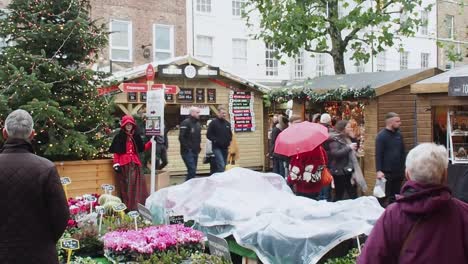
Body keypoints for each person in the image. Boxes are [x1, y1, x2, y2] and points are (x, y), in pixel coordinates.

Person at [358, 143, 468, 264]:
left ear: (407, 174)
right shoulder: (463, 213)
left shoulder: (393, 215)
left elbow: (370, 259)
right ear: (445, 175)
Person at [0, 110, 69, 263]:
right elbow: (61, 216)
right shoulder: (46, 168)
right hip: (39, 254)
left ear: (4, 133)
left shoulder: (46, 168)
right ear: (32, 135)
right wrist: (44, 241)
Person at [109, 115, 151, 210]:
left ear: (133, 125)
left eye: (130, 124)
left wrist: (151, 142)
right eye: (127, 124)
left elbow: (142, 148)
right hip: (124, 165)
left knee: (138, 186)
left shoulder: (136, 136)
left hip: (135, 164)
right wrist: (116, 164)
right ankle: (128, 207)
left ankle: (138, 206)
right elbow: (116, 152)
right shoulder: (119, 137)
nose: (129, 126)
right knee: (127, 186)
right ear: (124, 125)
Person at [375, 112, 406, 206]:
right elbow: (378, 154)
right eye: (397, 121)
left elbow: (402, 152)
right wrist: (379, 170)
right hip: (385, 173)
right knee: (382, 197)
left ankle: (393, 215)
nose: (399, 123)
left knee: (396, 196)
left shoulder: (399, 135)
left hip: (398, 172)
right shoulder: (381, 136)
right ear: (390, 122)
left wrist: (405, 167)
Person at [327, 120, 360, 201]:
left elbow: (355, 147)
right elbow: (335, 153)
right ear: (342, 128)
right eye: (348, 127)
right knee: (341, 193)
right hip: (339, 170)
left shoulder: (346, 137)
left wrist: (353, 138)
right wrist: (349, 147)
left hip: (346, 169)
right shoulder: (334, 138)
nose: (350, 129)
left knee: (349, 191)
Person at [207, 106, 232, 173]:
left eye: (225, 113)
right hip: (216, 148)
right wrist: (215, 140)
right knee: (221, 164)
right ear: (218, 113)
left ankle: (219, 178)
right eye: (222, 113)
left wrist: (229, 143)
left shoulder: (227, 124)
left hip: (225, 148)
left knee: (224, 165)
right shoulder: (213, 123)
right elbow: (208, 135)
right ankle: (221, 180)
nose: (224, 115)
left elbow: (230, 135)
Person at [179, 107, 201, 181]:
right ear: (192, 113)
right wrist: (187, 148)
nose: (199, 114)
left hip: (195, 151)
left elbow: (198, 137)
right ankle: (185, 187)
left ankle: (190, 188)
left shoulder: (197, 124)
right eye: (197, 112)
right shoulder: (186, 122)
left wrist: (199, 147)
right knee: (192, 169)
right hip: (187, 151)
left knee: (193, 171)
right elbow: (181, 137)